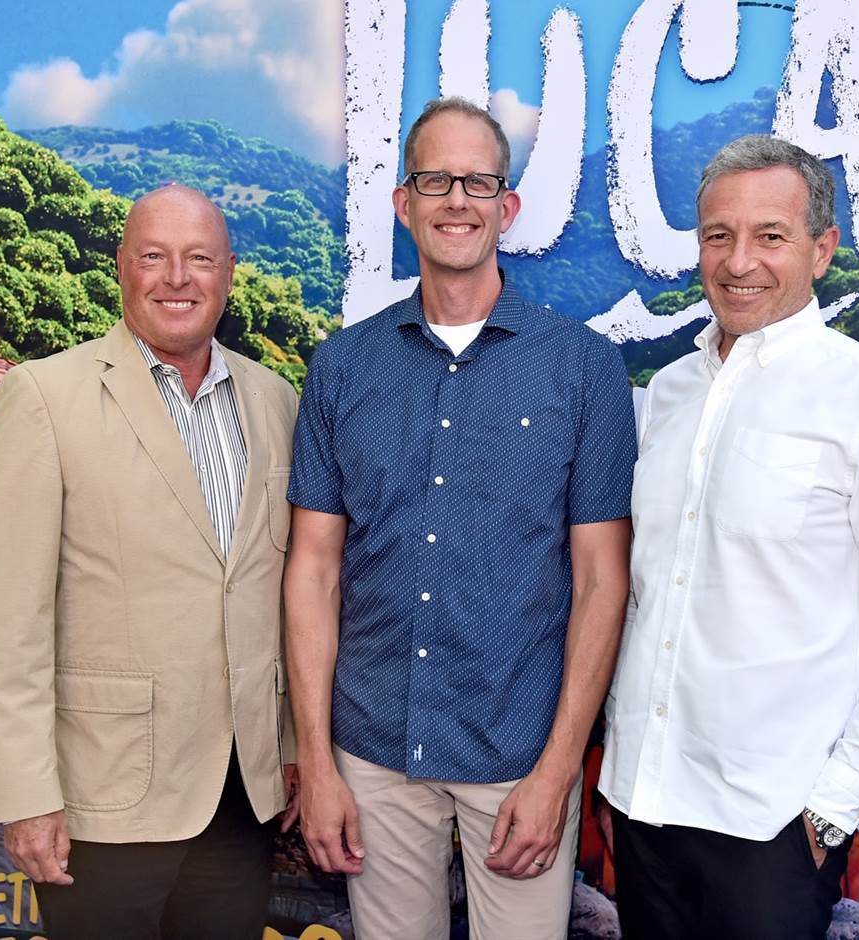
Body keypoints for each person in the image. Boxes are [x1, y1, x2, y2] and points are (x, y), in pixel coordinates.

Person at [283, 97, 637, 940]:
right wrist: (319, 763)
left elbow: (601, 580)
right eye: (434, 180)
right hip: (373, 744)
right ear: (403, 202)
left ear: (506, 207)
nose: (457, 200)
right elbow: (313, 569)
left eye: (478, 181)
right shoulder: (340, 368)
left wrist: (560, 771)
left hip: (518, 754)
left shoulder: (584, 370)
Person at [599, 135, 859, 939]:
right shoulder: (665, 392)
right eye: (718, 235)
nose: (739, 262)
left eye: (771, 236)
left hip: (772, 826)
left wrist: (832, 809)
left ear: (822, 249)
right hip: (642, 802)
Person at [0, 184, 299, 940]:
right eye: (155, 257)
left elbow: (275, 596)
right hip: (101, 800)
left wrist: (288, 748)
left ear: (229, 274)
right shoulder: (44, 397)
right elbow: (5, 622)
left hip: (241, 802)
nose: (177, 278)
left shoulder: (276, 401)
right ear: (123, 268)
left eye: (199, 259)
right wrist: (25, 795)